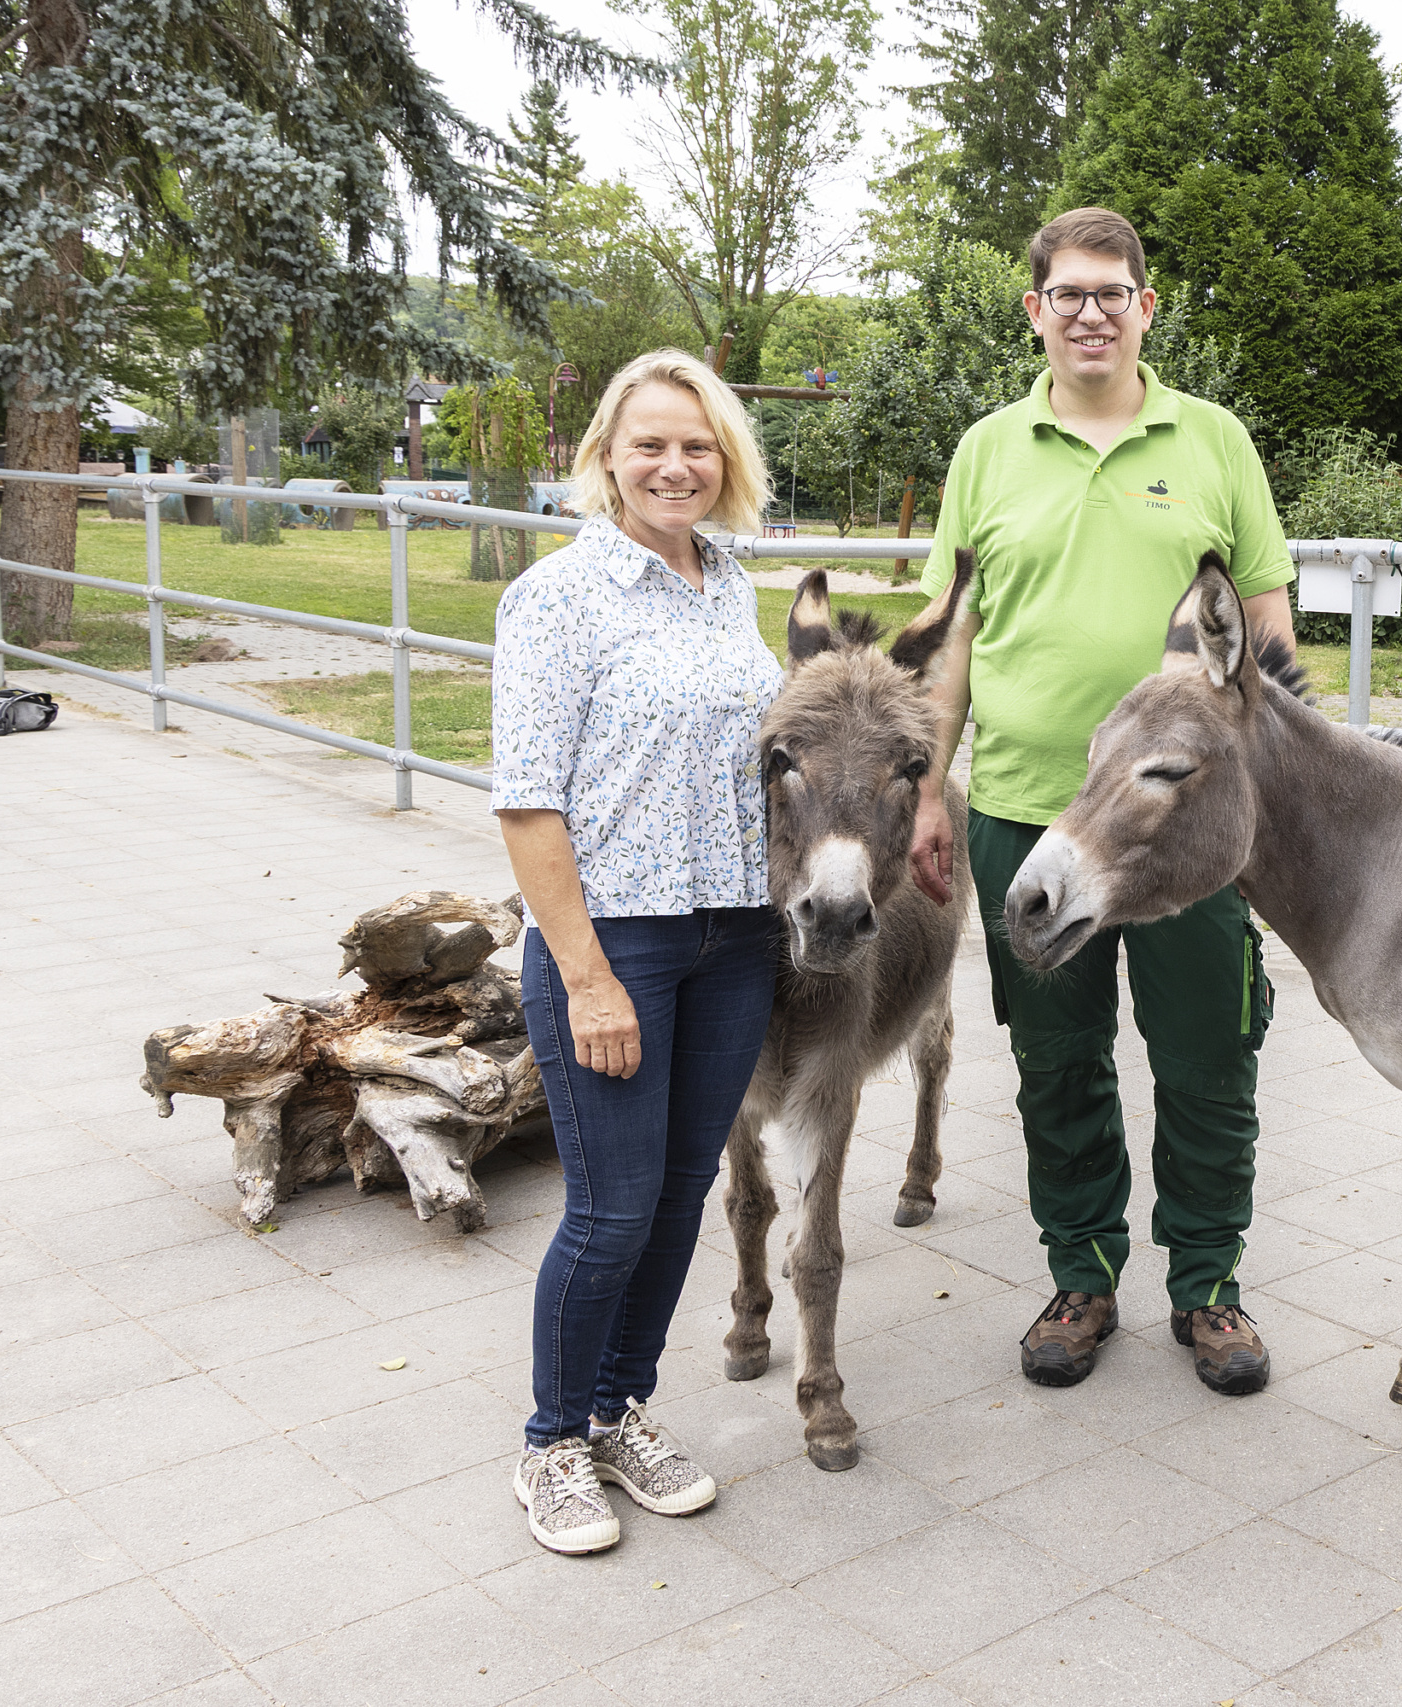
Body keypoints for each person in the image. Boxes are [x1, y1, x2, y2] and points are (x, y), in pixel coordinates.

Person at [903, 206, 1294, 1395]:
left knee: (1207, 1056)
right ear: (1035, 312)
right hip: (1026, 812)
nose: (1087, 311)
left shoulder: (1216, 440)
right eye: (1065, 293)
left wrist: (1271, 808)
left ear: (1144, 307)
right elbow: (952, 639)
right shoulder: (986, 452)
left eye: (1108, 291)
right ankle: (1081, 1273)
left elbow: (1266, 631)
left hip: (1189, 833)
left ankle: (1208, 1286)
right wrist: (930, 789)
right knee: (1059, 1062)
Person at [491, 349, 786, 1555]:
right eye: (650, 443)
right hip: (618, 941)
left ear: (728, 463)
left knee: (679, 1197)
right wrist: (588, 974)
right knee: (609, 1211)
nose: (675, 465)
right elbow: (527, 806)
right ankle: (552, 1444)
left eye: (698, 445)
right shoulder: (559, 597)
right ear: (606, 456)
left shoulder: (728, 581)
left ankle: (622, 1411)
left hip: (737, 938)